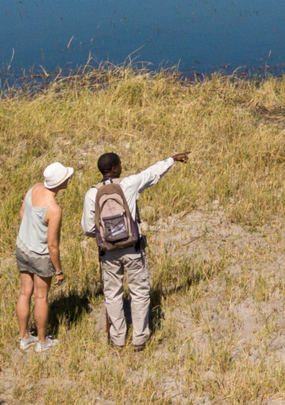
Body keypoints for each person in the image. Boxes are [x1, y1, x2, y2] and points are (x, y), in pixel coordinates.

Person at [81, 150, 189, 351]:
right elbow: (152, 173)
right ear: (115, 168)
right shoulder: (128, 184)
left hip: (108, 252)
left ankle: (117, 339)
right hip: (132, 248)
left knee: (112, 295)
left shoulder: (92, 194)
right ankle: (139, 339)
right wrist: (171, 159)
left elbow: (88, 228)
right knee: (139, 292)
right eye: (120, 165)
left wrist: (106, 236)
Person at [14, 162, 73, 352]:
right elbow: (52, 245)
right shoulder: (54, 209)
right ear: (60, 182)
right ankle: (42, 341)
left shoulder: (34, 188)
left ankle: (24, 337)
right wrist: (59, 270)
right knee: (41, 296)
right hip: (40, 256)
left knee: (25, 292)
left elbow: (22, 213)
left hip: (22, 248)